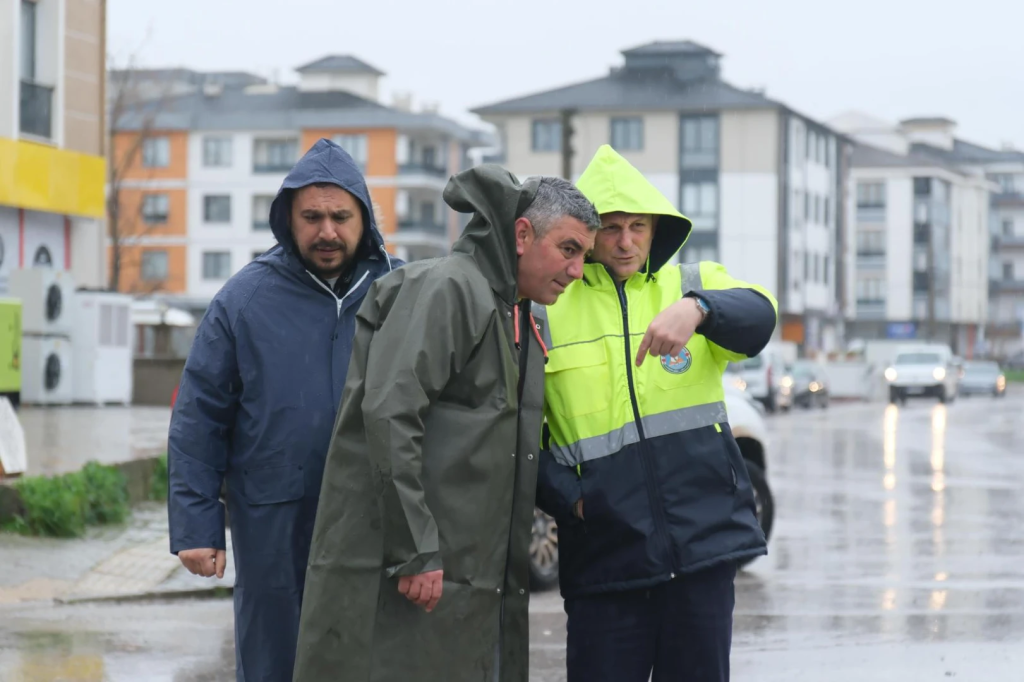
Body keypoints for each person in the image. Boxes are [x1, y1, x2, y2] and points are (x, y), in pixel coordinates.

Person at [291, 166, 600, 682]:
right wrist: (415, 549)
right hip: (419, 569)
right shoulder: (450, 289)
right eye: (569, 249)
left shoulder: (521, 314)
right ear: (523, 235)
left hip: (471, 576)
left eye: (584, 256)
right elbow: (391, 412)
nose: (576, 270)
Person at [535, 145, 778, 682]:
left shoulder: (690, 281)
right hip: (606, 558)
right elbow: (518, 431)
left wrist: (699, 308)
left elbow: (761, 315)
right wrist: (570, 500)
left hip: (702, 554)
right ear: (588, 231)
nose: (625, 242)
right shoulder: (549, 304)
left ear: (655, 227)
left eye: (638, 226)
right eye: (611, 227)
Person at [167, 138, 403, 682]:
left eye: (341, 217)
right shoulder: (244, 300)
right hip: (272, 519)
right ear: (287, 220)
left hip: (375, 517)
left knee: (372, 657)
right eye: (312, 217)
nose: (327, 231)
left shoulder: (399, 290)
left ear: (363, 218)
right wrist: (196, 524)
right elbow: (199, 417)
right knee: (276, 658)